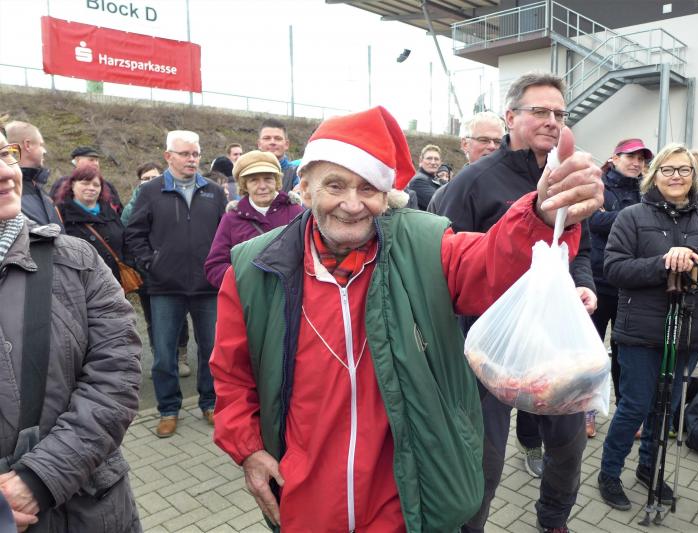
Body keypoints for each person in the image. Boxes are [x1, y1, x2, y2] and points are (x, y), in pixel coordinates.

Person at [210, 105, 603, 532]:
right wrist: (248, 450)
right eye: (335, 185)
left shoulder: (425, 244)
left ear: (386, 196)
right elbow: (232, 375)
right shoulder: (253, 268)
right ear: (304, 188)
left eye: (368, 188)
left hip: (404, 494)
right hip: (305, 498)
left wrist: (542, 214)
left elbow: (492, 262)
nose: (352, 204)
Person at [436, 73, 597, 533]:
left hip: (554, 340)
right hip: (488, 342)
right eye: (539, 111)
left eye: (559, 114)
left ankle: (554, 520)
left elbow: (581, 250)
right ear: (511, 117)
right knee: (483, 457)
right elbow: (443, 262)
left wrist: (583, 284)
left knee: (568, 445)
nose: (552, 121)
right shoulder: (473, 182)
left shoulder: (565, 175)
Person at [0, 121, 141, 531]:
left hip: (93, 509)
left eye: (5, 155)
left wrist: (40, 478)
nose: (7, 172)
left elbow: (117, 375)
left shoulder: (75, 260)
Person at [598, 143, 698, 511]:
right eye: (668, 169)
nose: (676, 176)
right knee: (635, 405)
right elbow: (615, 269)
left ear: (694, 177)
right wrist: (663, 263)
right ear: (654, 175)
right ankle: (609, 472)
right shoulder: (631, 217)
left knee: (667, 407)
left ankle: (649, 467)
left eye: (684, 170)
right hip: (640, 331)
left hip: (689, 330)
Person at [124, 130, 227, 438]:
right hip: (165, 286)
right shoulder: (150, 191)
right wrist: (151, 264)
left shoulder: (213, 192)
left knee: (211, 350)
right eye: (185, 154)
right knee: (164, 354)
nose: (191, 159)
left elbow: (225, 235)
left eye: (195, 154)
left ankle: (210, 402)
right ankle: (168, 409)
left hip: (207, 286)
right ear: (168, 156)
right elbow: (134, 233)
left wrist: (219, 267)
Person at [587, 138, 652, 435]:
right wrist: (636, 219)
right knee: (591, 351)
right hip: (597, 280)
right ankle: (586, 409)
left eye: (641, 159)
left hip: (631, 283)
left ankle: (626, 412)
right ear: (614, 158)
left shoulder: (647, 190)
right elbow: (591, 222)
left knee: (624, 355)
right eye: (630, 157)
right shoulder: (597, 184)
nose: (636, 163)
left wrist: (610, 218)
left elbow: (650, 226)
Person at [122, 161, 192, 379]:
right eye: (145, 179)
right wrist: (147, 263)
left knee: (179, 315)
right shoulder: (132, 206)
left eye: (154, 177)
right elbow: (129, 235)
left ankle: (181, 356)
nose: (150, 182)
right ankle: (160, 357)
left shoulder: (173, 197)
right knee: (153, 319)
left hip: (175, 271)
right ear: (139, 182)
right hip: (146, 273)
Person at [205, 150, 303, 288]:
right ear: (244, 185)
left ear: (277, 180)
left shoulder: (296, 213)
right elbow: (214, 267)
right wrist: (246, 279)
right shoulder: (232, 219)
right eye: (254, 180)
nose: (262, 186)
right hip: (249, 298)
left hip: (291, 296)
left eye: (268, 179)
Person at [53, 167, 125, 282]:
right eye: (85, 183)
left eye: (96, 185)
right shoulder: (60, 214)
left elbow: (125, 241)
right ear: (72, 185)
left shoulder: (109, 210)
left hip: (115, 281)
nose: (91, 188)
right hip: (81, 282)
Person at [427, 112, 506, 214]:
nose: (492, 146)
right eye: (484, 140)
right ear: (465, 144)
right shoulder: (444, 196)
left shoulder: (518, 188)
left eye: (498, 141)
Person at [3, 121, 62, 229]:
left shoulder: (37, 186)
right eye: (41, 145)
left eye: (5, 154)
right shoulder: (8, 194)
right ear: (28, 145)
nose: (44, 151)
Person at [48, 147, 123, 213]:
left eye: (97, 160)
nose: (96, 163)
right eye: (91, 160)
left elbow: (119, 211)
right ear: (77, 161)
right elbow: (51, 209)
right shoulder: (62, 184)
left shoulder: (108, 186)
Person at [258, 118, 298, 193]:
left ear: (286, 144)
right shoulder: (249, 172)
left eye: (278, 138)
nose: (272, 142)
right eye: (267, 138)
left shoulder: (298, 173)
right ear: (259, 144)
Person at [405, 144, 442, 210]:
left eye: (436, 159)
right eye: (429, 158)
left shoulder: (434, 179)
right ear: (421, 161)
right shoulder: (418, 181)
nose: (433, 162)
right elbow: (441, 204)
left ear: (440, 163)